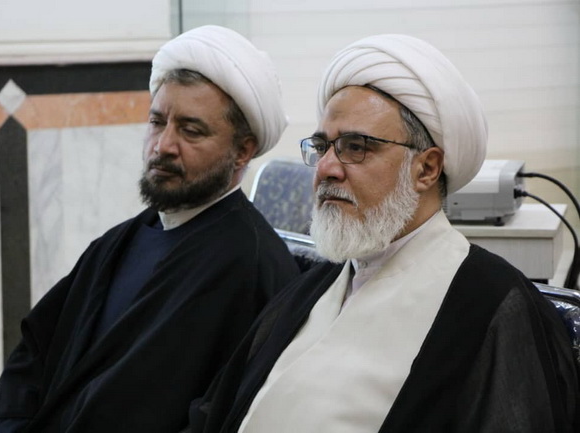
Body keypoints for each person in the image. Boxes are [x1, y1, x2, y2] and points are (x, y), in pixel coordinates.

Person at [188, 34, 580, 433]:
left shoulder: (494, 304)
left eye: (356, 147)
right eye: (322, 147)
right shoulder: (311, 288)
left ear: (426, 169)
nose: (326, 168)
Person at [0, 25, 300, 433]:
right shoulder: (122, 241)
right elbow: (35, 352)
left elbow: (226, 416)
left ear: (243, 151)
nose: (163, 145)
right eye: (157, 122)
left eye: (190, 130)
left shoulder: (252, 266)